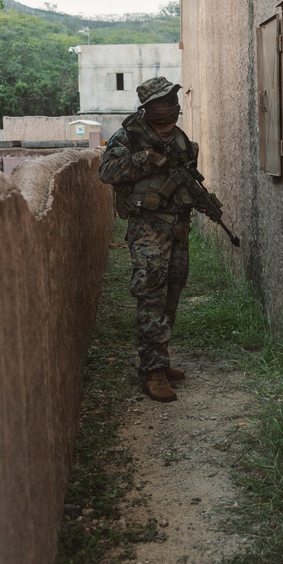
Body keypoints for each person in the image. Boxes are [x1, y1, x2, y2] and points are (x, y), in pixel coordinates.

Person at [98, 76, 199, 403]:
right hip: (148, 228)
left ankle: (161, 358)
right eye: (163, 101)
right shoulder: (129, 136)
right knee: (151, 295)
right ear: (148, 106)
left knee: (171, 293)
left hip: (177, 228)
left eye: (172, 99)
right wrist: (143, 160)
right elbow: (107, 172)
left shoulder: (181, 139)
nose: (170, 105)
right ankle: (151, 371)